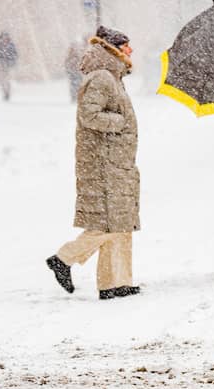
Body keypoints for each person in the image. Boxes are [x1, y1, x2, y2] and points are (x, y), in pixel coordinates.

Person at [45, 26, 141, 300]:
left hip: (115, 160)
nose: (130, 51)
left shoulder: (112, 77)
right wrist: (120, 123)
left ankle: (115, 282)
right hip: (103, 162)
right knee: (108, 223)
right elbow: (89, 115)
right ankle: (63, 258)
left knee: (120, 222)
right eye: (126, 46)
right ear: (113, 50)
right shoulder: (101, 78)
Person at [0, 32, 18, 101]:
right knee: (2, 80)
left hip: (7, 65)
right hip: (1, 65)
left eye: (6, 37)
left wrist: (10, 61)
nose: (5, 39)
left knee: (6, 79)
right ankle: (5, 92)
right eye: (4, 37)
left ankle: (7, 92)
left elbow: (14, 55)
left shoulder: (11, 45)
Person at [64, 38, 86, 102]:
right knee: (75, 85)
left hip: (75, 72)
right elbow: (67, 64)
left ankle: (76, 96)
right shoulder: (72, 56)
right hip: (74, 72)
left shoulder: (74, 55)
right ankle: (75, 97)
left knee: (77, 84)